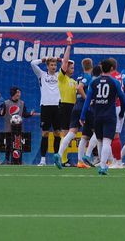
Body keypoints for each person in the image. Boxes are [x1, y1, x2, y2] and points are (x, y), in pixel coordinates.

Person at [80, 58, 125, 175]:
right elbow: (123, 98)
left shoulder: (93, 82)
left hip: (97, 115)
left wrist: (83, 115)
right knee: (107, 141)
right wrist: (122, 111)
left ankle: (100, 163)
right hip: (110, 116)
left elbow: (87, 101)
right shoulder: (114, 82)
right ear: (111, 68)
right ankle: (102, 166)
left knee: (100, 141)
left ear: (101, 68)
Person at [30, 54, 62, 166]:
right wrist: (44, 59)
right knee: (45, 133)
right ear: (47, 66)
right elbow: (33, 63)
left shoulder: (60, 75)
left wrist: (59, 59)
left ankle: (56, 159)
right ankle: (43, 159)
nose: (54, 66)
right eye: (51, 64)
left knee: (57, 133)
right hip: (45, 107)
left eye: (55, 64)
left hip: (57, 107)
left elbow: (71, 62)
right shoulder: (41, 75)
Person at [54, 35, 79, 168]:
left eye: (74, 67)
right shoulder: (61, 78)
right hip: (64, 106)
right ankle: (63, 160)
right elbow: (64, 62)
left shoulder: (74, 81)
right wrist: (69, 45)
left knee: (70, 134)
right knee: (65, 133)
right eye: (71, 67)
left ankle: (66, 159)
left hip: (73, 108)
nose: (72, 69)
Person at [2, 86, 35, 164]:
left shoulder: (22, 103)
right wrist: (1, 112)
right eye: (18, 92)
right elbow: (2, 114)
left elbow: (24, 114)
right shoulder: (6, 103)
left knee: (18, 144)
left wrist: (30, 114)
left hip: (18, 128)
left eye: (19, 92)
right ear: (13, 93)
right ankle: (7, 160)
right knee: (8, 145)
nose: (19, 94)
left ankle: (18, 160)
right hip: (8, 128)